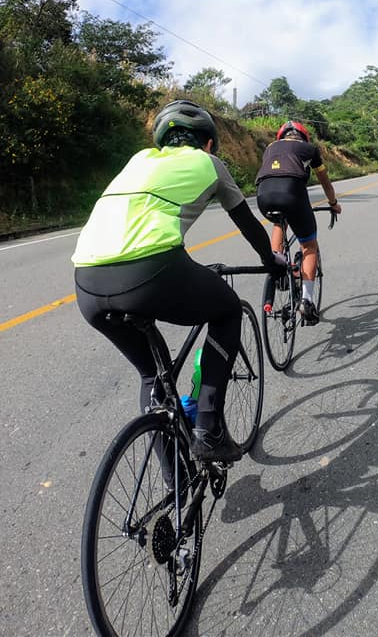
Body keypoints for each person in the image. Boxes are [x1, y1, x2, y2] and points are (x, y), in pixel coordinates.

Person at [73, 100, 286, 462]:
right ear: (208, 143)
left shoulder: (139, 160)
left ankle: (176, 482)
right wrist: (272, 262)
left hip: (87, 282)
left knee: (152, 377)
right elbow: (249, 225)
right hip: (151, 271)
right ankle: (209, 429)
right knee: (227, 311)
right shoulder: (210, 163)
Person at [255, 120, 341, 325]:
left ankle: (278, 265)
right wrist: (333, 203)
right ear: (303, 137)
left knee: (279, 222)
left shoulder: (269, 148)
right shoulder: (309, 149)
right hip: (293, 195)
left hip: (263, 195)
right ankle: (307, 300)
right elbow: (326, 183)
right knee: (308, 244)